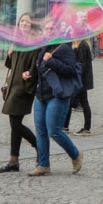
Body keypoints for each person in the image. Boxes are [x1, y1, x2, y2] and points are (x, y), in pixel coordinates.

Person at [28, 18, 84, 177]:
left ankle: (76, 155)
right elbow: (41, 69)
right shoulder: (43, 46)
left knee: (54, 130)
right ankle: (43, 165)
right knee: (41, 131)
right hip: (41, 95)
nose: (49, 30)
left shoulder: (64, 48)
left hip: (57, 95)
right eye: (46, 28)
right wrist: (30, 74)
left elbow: (71, 70)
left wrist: (51, 61)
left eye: (52, 28)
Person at [0, 13, 39, 173]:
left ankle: (38, 146)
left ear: (32, 25)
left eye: (27, 21)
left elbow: (35, 65)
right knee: (14, 124)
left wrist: (29, 74)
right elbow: (10, 65)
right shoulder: (17, 41)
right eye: (22, 21)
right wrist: (10, 53)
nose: (24, 23)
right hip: (12, 86)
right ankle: (13, 161)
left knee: (15, 124)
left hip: (23, 88)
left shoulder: (33, 43)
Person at [63, 38, 94, 136]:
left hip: (80, 80)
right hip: (80, 80)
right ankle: (67, 126)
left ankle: (85, 128)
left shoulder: (82, 45)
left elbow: (81, 64)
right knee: (78, 102)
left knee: (77, 102)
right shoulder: (78, 44)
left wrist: (74, 77)